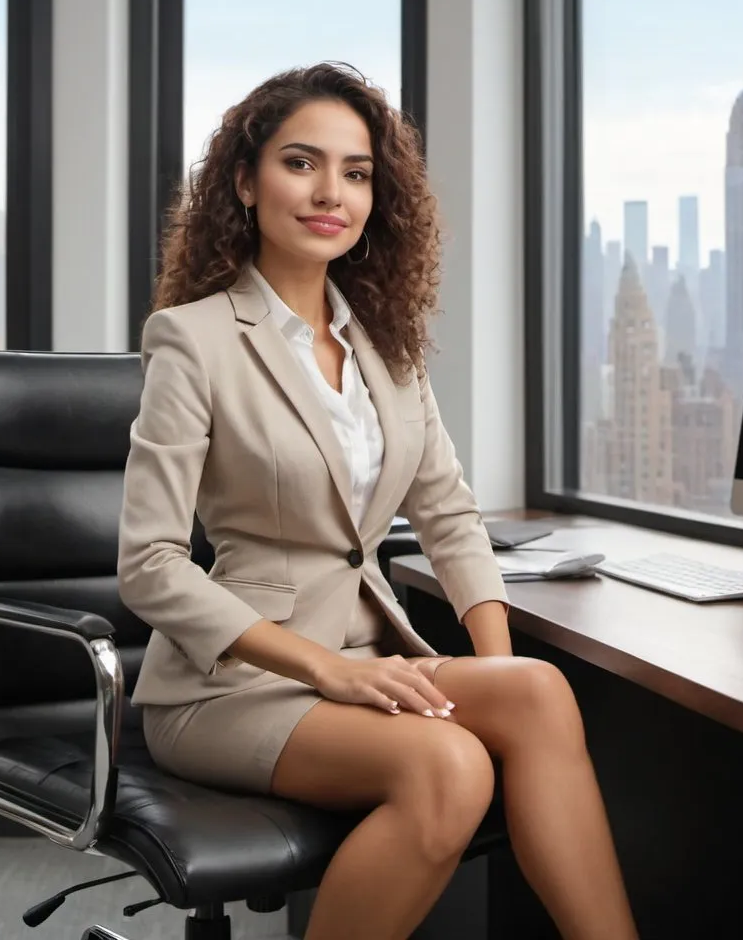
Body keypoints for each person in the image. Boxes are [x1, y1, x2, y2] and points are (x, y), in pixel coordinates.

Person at [117, 61, 638, 940]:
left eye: (356, 173)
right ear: (244, 183)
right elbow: (150, 566)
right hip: (235, 686)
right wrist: (329, 670)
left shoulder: (386, 350)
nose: (332, 193)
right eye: (301, 163)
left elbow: (448, 514)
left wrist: (492, 673)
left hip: (369, 658)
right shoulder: (194, 340)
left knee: (538, 692)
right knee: (450, 768)